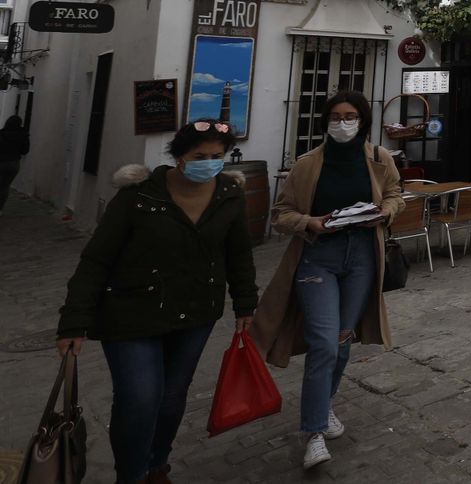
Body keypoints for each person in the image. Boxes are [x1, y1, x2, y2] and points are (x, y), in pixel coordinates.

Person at [55, 120, 257, 484]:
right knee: (139, 399)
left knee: (171, 398)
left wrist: (246, 304)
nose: (209, 162)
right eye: (200, 156)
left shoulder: (229, 193)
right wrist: (74, 319)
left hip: (194, 312)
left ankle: (156, 465)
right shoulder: (139, 195)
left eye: (217, 156)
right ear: (180, 157)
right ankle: (130, 475)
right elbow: (97, 258)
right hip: (133, 312)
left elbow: (238, 253)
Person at [251, 91, 404, 471]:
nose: (343, 122)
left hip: (363, 258)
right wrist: (310, 223)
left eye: (350, 116)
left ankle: (324, 404)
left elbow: (396, 195)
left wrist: (384, 211)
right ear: (325, 121)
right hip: (318, 257)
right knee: (323, 341)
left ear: (363, 120)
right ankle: (314, 432)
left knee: (342, 340)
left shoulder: (379, 159)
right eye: (335, 116)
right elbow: (281, 213)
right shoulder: (307, 165)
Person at [0, 115, 29, 215]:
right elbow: (25, 151)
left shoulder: (2, 133)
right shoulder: (23, 135)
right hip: (13, 163)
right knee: (4, 186)